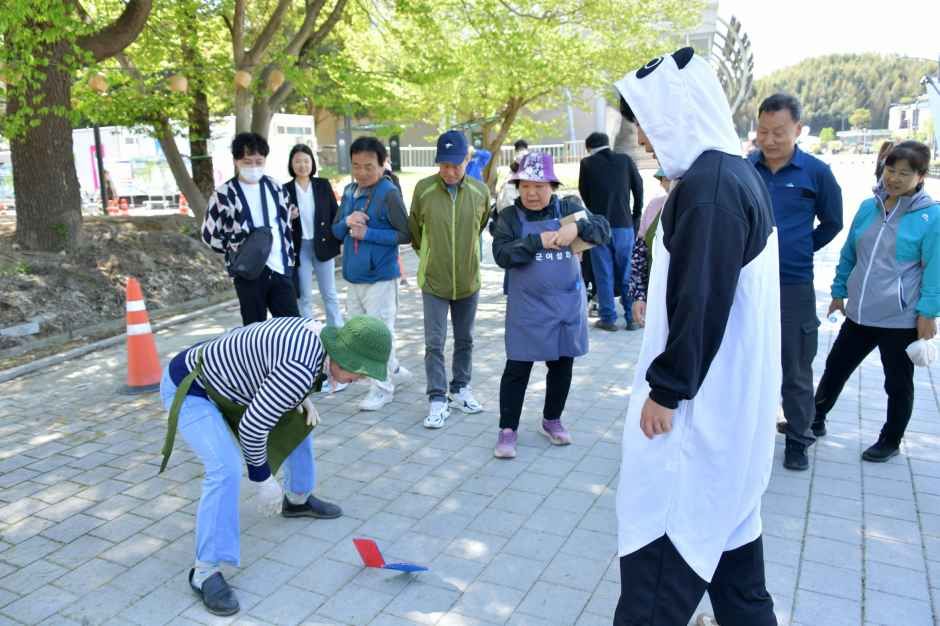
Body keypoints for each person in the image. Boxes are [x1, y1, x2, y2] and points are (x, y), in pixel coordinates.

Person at [612, 47, 781, 626]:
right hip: (729, 417)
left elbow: (700, 298)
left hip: (697, 424)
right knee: (739, 589)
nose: (644, 141)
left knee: (654, 590)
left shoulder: (711, 187)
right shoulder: (727, 174)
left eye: (647, 126)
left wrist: (667, 390)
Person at [158, 315, 392, 616]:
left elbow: (272, 360)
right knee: (225, 469)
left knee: (298, 417)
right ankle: (204, 573)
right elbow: (252, 428)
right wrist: (262, 479)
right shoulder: (297, 370)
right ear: (341, 354)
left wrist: (300, 397)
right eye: (357, 372)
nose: (359, 379)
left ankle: (297, 500)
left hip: (230, 380)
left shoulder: (320, 338)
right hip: (191, 386)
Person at [814, 140, 939, 462]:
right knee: (835, 368)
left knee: (897, 384)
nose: (894, 178)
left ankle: (890, 439)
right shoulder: (869, 207)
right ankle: (814, 419)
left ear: (921, 176)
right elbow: (849, 253)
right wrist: (839, 290)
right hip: (859, 313)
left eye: (904, 173)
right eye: (890, 170)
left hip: (899, 319)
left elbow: (935, 270)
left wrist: (928, 313)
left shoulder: (931, 217)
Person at [491, 152, 610, 459]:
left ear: (552, 186)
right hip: (528, 309)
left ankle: (551, 419)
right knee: (517, 368)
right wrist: (535, 242)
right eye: (525, 186)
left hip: (566, 305)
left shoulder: (569, 207)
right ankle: (508, 429)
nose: (531, 193)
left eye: (540, 186)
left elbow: (602, 228)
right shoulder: (509, 218)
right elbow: (502, 254)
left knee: (562, 364)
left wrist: (578, 229)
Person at [749, 93, 843, 471]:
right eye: (763, 131)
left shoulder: (816, 172)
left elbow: (833, 222)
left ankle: (798, 438)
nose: (769, 140)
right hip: (749, 282)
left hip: (793, 284)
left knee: (795, 364)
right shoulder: (744, 168)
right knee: (748, 359)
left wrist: (802, 248)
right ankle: (747, 434)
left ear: (798, 130)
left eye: (779, 132)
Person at [408, 130, 491, 428]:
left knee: (465, 338)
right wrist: (431, 258)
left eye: (456, 165)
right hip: (434, 281)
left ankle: (460, 388)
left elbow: (480, 227)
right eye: (444, 165)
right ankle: (437, 398)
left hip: (468, 280)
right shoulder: (424, 190)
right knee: (434, 342)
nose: (450, 171)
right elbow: (415, 231)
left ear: (468, 160)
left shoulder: (481, 192)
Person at [332, 137, 413, 411]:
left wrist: (369, 233)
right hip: (353, 277)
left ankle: (383, 388)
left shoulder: (389, 192)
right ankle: (394, 371)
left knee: (378, 333)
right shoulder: (349, 191)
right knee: (359, 334)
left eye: (369, 166)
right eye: (356, 165)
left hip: (380, 277)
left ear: (382, 164)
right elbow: (334, 231)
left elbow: (406, 233)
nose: (362, 172)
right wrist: (346, 221)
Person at [203, 133, 299, 326]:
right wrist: (236, 248)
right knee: (254, 330)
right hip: (248, 272)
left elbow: (285, 220)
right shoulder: (223, 195)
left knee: (292, 327)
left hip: (280, 266)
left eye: (259, 161)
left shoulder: (276, 187)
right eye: (247, 161)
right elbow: (209, 235)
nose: (254, 167)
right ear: (236, 161)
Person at [578, 131, 644, 331]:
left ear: (589, 148)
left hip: (599, 227)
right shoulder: (624, 160)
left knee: (603, 273)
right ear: (607, 144)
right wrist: (636, 213)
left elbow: (584, 193)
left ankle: (608, 318)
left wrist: (596, 214)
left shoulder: (587, 164)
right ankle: (632, 318)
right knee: (627, 273)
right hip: (624, 225)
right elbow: (638, 186)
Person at [285, 144, 343, 328]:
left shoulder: (322, 185)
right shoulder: (284, 189)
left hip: (323, 245)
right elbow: (278, 221)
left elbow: (336, 213)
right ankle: (308, 333)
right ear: (291, 164)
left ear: (312, 163)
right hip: (299, 248)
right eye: (297, 161)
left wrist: (339, 241)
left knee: (330, 293)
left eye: (306, 161)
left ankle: (337, 330)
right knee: (304, 296)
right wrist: (288, 216)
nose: (302, 165)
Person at [626, 169, 670, 328]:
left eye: (664, 178)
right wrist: (639, 296)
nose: (662, 183)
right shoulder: (654, 206)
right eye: (662, 178)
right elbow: (639, 257)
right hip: (656, 293)